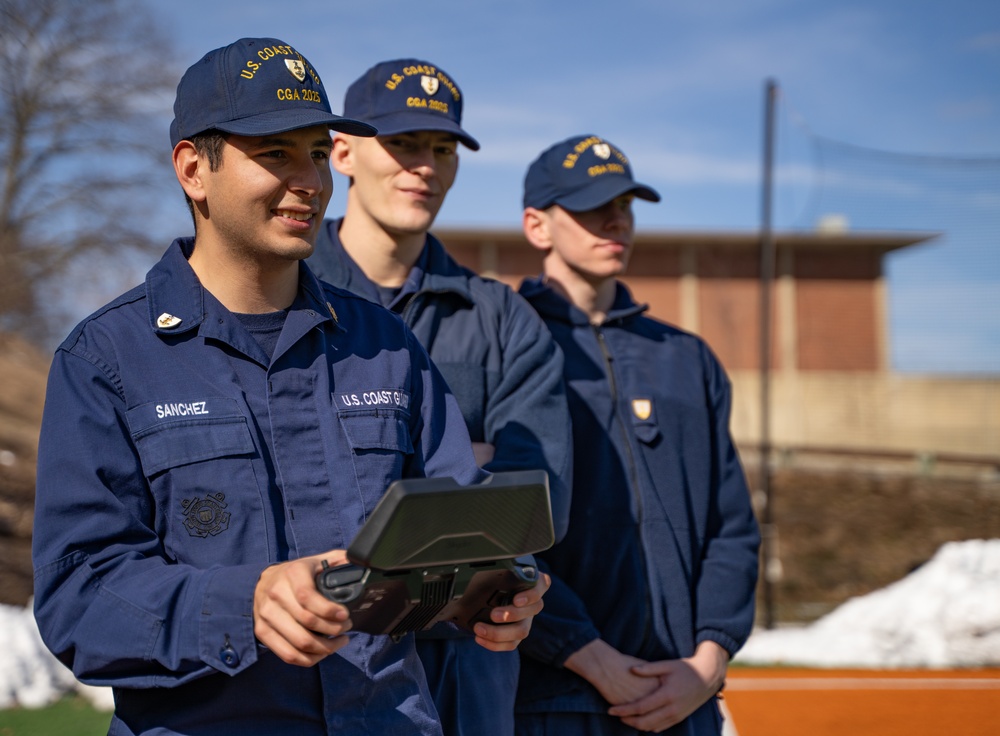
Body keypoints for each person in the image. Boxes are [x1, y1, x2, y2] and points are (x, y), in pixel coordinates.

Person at [31, 38, 547, 736]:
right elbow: (79, 597)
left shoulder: (387, 346)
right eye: (275, 154)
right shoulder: (106, 359)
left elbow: (461, 527)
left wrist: (500, 588)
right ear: (193, 169)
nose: (309, 179)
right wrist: (244, 602)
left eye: (314, 151)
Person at [305, 58, 572, 736]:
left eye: (442, 148)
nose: (424, 164)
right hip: (320, 653)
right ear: (343, 153)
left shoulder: (502, 318)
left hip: (469, 665)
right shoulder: (286, 298)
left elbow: (540, 501)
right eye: (402, 143)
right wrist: (460, 473)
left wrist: (390, 479)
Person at [514, 135, 761, 735]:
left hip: (682, 697)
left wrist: (707, 663)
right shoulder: (505, 343)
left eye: (624, 204)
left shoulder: (685, 357)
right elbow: (496, 534)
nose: (615, 220)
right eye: (591, 206)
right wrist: (586, 653)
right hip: (551, 699)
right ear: (537, 226)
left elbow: (730, 528)